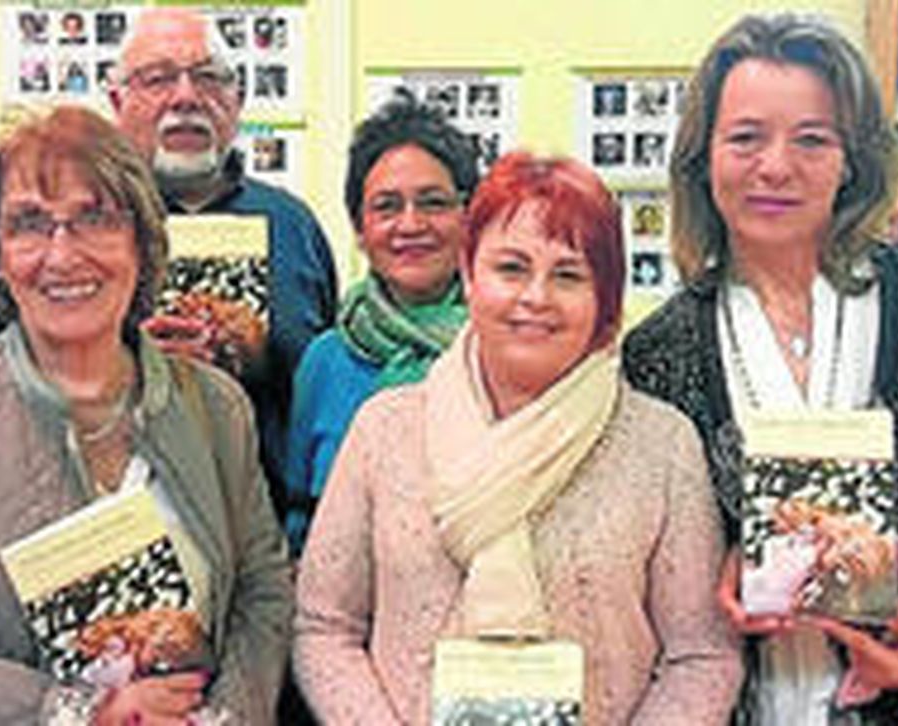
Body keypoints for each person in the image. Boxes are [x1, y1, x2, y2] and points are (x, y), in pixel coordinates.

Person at [621, 14, 898, 724]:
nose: (775, 166)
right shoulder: (659, 351)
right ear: (702, 158)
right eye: (745, 137)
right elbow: (650, 563)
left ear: (852, 159)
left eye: (811, 139)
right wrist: (720, 566)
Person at [0, 106, 292, 725]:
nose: (62, 256)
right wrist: (76, 713)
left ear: (143, 245)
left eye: (95, 219)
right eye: (30, 224)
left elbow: (263, 594)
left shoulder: (217, 407)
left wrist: (223, 719)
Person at [295, 152, 744, 724]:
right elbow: (324, 627)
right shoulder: (385, 431)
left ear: (605, 298)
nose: (536, 296)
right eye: (511, 268)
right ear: (469, 274)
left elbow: (701, 656)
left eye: (568, 275)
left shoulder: (661, 444)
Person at [0, 7, 338, 510]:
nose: (186, 97)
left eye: (208, 77)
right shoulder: (64, 222)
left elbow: (322, 383)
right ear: (118, 101)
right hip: (81, 514)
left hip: (249, 516)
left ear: (238, 99)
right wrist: (113, 353)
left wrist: (256, 353)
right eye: (158, 79)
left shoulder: (292, 225)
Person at [282, 99, 477, 552]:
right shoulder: (325, 361)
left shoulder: (504, 347)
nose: (411, 224)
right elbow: (298, 515)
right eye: (387, 207)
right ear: (359, 229)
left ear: (469, 218)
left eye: (433, 203)